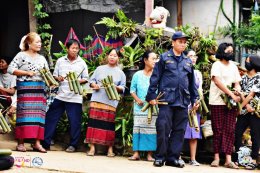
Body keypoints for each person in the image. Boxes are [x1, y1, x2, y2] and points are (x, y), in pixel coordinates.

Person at [146, 31, 199, 168]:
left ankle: (173, 158)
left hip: (183, 100)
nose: (182, 44)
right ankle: (160, 157)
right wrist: (151, 96)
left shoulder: (188, 61)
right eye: (180, 41)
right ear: (173, 42)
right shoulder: (164, 58)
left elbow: (191, 82)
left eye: (184, 42)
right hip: (166, 99)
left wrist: (195, 99)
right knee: (163, 128)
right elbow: (155, 78)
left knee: (179, 130)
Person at [42, 39, 89, 152]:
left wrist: (77, 81)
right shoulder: (60, 61)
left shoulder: (82, 63)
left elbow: (86, 79)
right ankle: (46, 143)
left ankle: (73, 145)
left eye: (77, 49)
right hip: (61, 95)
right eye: (73, 48)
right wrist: (59, 78)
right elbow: (55, 76)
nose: (75, 50)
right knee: (51, 118)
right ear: (67, 49)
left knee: (75, 122)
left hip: (75, 97)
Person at [7, 32, 49, 153]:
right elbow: (10, 69)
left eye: (40, 42)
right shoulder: (21, 56)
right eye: (37, 42)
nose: (39, 44)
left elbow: (47, 74)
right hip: (25, 89)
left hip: (40, 90)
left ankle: (37, 143)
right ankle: (20, 143)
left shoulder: (42, 58)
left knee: (39, 117)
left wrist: (53, 80)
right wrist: (26, 73)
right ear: (29, 44)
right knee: (24, 115)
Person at [86, 48, 126, 157]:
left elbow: (123, 88)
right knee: (94, 124)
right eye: (110, 55)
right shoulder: (99, 69)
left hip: (111, 102)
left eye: (115, 56)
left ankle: (110, 149)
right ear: (107, 56)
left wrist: (116, 87)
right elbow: (91, 81)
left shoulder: (121, 73)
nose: (112, 57)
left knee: (108, 126)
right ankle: (92, 148)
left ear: (118, 58)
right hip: (97, 99)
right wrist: (94, 85)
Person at [209, 43, 241, 169]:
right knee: (217, 128)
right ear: (222, 51)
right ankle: (216, 157)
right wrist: (230, 94)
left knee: (230, 129)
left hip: (230, 103)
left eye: (232, 51)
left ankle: (228, 159)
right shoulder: (216, 65)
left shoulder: (233, 66)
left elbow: (237, 83)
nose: (231, 53)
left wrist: (237, 90)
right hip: (217, 101)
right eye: (228, 51)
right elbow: (217, 81)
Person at [128, 51, 158, 161]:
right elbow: (132, 90)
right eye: (153, 59)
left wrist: (154, 100)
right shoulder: (137, 75)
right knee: (138, 129)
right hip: (139, 107)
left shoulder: (156, 75)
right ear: (145, 60)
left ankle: (150, 154)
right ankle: (136, 153)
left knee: (151, 130)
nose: (155, 61)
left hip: (153, 107)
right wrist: (137, 99)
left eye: (156, 59)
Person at [234, 55, 260, 170]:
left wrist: (240, 108)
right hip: (245, 110)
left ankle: (254, 160)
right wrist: (245, 106)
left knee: (255, 135)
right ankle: (238, 158)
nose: (246, 62)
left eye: (248, 61)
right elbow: (242, 93)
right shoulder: (243, 78)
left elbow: (251, 95)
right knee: (237, 133)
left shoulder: (259, 77)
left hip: (255, 111)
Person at [184, 50, 203, 166]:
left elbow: (199, 90)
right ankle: (176, 155)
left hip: (194, 105)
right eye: (190, 56)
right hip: (182, 104)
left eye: (194, 56)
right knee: (179, 131)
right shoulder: (182, 71)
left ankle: (193, 158)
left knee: (194, 132)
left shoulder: (198, 73)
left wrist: (197, 103)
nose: (193, 58)